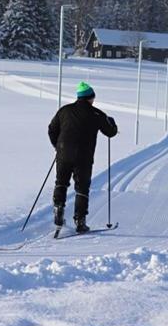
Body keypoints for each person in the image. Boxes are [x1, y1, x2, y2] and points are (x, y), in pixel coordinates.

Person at [48, 81, 117, 233]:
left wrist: (58, 146)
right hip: (83, 157)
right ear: (90, 98)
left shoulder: (64, 111)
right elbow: (111, 132)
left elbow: (52, 129)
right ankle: (80, 221)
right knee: (82, 188)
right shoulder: (97, 114)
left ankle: (58, 208)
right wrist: (111, 122)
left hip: (63, 153)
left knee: (61, 182)